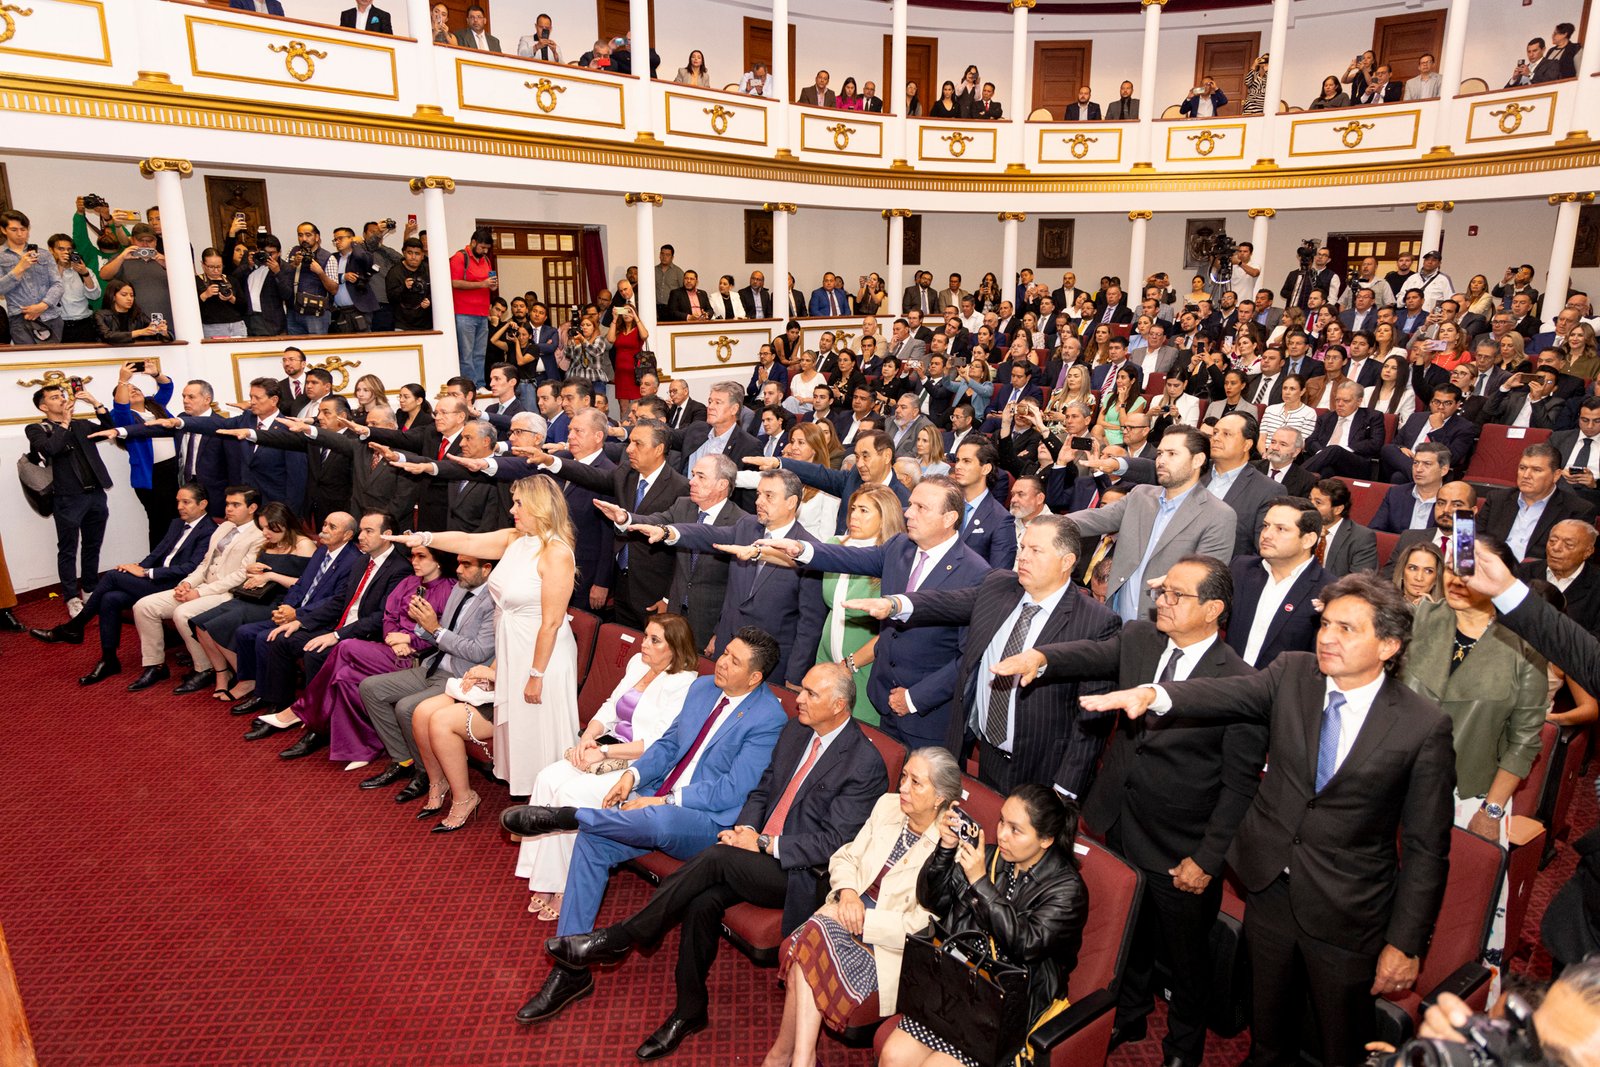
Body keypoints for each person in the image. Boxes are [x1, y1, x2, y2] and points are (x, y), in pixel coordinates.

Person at [1081, 572, 1456, 1067]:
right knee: (1268, 1030)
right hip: (1270, 888)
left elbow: (1428, 849)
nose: (1327, 637)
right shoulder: (1293, 673)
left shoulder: (1422, 726)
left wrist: (1405, 943)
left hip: (1347, 909)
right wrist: (1156, 695)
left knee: (1341, 1043)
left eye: (1346, 629)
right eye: (1326, 624)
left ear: (1388, 645)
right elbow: (1227, 694)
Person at [537, 662, 886, 1058]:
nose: (798, 699)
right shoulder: (797, 731)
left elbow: (834, 843)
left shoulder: (863, 762)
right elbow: (762, 790)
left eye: (810, 694)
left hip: (798, 871)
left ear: (839, 706)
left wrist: (763, 843)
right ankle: (689, 1010)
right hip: (752, 850)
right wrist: (746, 829)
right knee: (701, 901)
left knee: (715, 858)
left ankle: (622, 937)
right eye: (801, 689)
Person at [993, 554, 1262, 1066]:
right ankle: (1131, 1013)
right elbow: (1092, 655)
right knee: (1128, 936)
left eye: (1177, 595)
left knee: (1186, 960)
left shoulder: (1239, 682)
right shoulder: (1142, 638)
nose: (1163, 602)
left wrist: (1207, 859)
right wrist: (1041, 658)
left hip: (1180, 845)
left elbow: (1239, 786)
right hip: (1117, 820)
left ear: (1213, 610)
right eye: (1163, 591)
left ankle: (1182, 1048)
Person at [502, 628, 788, 1020]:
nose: (721, 662)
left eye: (734, 661)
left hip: (706, 822)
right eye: (724, 653)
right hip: (655, 801)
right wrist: (632, 776)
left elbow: (731, 790)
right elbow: (668, 745)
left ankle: (568, 816)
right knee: (592, 840)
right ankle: (570, 972)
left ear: (754, 677)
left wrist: (664, 799)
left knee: (659, 817)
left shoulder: (768, 718)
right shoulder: (703, 688)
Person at [846, 515, 1120, 798]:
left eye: (1035, 550)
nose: (1023, 557)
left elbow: (1093, 718)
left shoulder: (1096, 623)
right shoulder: (1000, 586)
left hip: (1044, 768)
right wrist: (895, 604)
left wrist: (1064, 790)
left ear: (1066, 561)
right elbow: (947, 602)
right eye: (1022, 547)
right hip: (985, 749)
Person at [384, 475, 578, 827]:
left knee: (541, 731)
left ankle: (549, 810)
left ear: (539, 506)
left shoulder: (557, 552)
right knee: (523, 733)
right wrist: (423, 538)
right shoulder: (516, 539)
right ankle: (534, 809)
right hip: (514, 650)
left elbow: (551, 623)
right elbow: (467, 540)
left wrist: (535, 675)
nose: (512, 509)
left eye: (519, 503)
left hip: (544, 656)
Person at [761, 748, 961, 1067]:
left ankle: (786, 1056)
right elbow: (845, 857)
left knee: (807, 945)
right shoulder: (888, 806)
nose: (903, 787)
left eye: (916, 783)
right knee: (814, 938)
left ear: (939, 798)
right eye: (904, 777)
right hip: (843, 915)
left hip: (886, 948)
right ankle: (797, 1058)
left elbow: (926, 924)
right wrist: (849, 893)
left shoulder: (949, 846)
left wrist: (863, 920)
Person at [758, 477, 990, 748]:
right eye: (911, 504)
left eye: (921, 507)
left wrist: (913, 698)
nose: (908, 513)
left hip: (928, 717)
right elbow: (850, 558)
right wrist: (802, 549)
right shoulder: (900, 546)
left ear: (949, 518)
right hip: (881, 701)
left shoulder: (975, 573)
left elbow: (969, 658)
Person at [879, 784, 1087, 1067]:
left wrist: (980, 883)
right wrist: (945, 849)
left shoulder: (1067, 890)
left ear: (1046, 840)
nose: (1001, 834)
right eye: (1002, 821)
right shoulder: (989, 857)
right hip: (959, 983)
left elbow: (1025, 944)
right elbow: (932, 900)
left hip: (1008, 1006)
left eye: (1015, 830)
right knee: (893, 1055)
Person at [515, 614, 700, 920]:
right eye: (645, 636)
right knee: (546, 778)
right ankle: (543, 875)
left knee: (570, 795)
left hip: (638, 764)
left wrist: (602, 751)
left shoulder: (684, 683)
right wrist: (588, 737)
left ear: (675, 648)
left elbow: (657, 743)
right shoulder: (638, 664)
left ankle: (566, 883)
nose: (644, 644)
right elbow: (611, 705)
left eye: (655, 640)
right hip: (606, 746)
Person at [625, 468, 826, 688]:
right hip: (727, 648)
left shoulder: (809, 551)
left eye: (769, 496)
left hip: (770, 665)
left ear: (792, 502)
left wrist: (795, 677)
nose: (759, 501)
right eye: (758, 494)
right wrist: (668, 532)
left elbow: (810, 624)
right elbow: (709, 535)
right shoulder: (746, 527)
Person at [1406, 537, 1547, 845]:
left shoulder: (1526, 646)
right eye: (1452, 568)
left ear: (1501, 578)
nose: (1457, 580)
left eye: (1472, 571)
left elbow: (1524, 741)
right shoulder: (1416, 619)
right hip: (1394, 780)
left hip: (1466, 797)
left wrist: (1491, 811)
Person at [29, 482, 215, 686]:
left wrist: (145, 572)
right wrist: (136, 568)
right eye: (178, 501)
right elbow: (156, 553)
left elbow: (190, 568)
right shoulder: (177, 523)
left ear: (202, 504)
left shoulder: (209, 531)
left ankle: (75, 627)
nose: (180, 507)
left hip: (177, 585)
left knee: (111, 577)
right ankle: (109, 660)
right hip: (156, 580)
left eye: (186, 502)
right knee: (110, 599)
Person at [354, 552, 497, 804]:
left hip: (460, 676)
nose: (458, 570)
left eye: (466, 565)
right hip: (434, 665)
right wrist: (423, 623)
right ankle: (404, 760)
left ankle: (425, 773)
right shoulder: (459, 589)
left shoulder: (494, 602)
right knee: (371, 688)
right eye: (458, 563)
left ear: (486, 569)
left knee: (406, 707)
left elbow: (478, 652)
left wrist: (435, 628)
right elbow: (438, 635)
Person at [1067, 427, 1236, 620]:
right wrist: (1048, 525)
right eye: (1160, 453)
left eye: (1172, 454)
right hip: (1115, 620)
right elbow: (1095, 519)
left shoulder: (1218, 515)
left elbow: (1205, 577)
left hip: (1164, 625)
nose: (1161, 460)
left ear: (1197, 460)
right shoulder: (1140, 495)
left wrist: (1177, 582)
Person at [186, 502, 318, 702]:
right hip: (256, 597)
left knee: (219, 625)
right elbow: (260, 573)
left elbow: (308, 584)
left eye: (269, 528)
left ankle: (247, 679)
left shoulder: (304, 545)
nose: (265, 533)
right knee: (200, 624)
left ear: (283, 524)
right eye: (262, 527)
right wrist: (252, 570)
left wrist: (271, 576)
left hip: (282, 602)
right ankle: (226, 674)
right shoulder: (269, 543)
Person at [812, 485, 904, 725]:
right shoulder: (835, 545)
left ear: (885, 517)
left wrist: (850, 664)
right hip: (826, 660)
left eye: (864, 511)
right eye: (853, 509)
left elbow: (894, 630)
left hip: (865, 669)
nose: (854, 516)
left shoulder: (893, 559)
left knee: (859, 734)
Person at [26, 385, 115, 618]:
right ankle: (71, 597)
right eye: (55, 397)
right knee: (68, 549)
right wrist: (64, 423)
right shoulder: (36, 429)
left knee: (92, 545)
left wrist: (96, 404)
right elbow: (50, 449)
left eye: (63, 395)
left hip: (96, 494)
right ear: (43, 406)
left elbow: (110, 429)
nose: (62, 400)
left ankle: (89, 589)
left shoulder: (82, 424)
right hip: (67, 499)